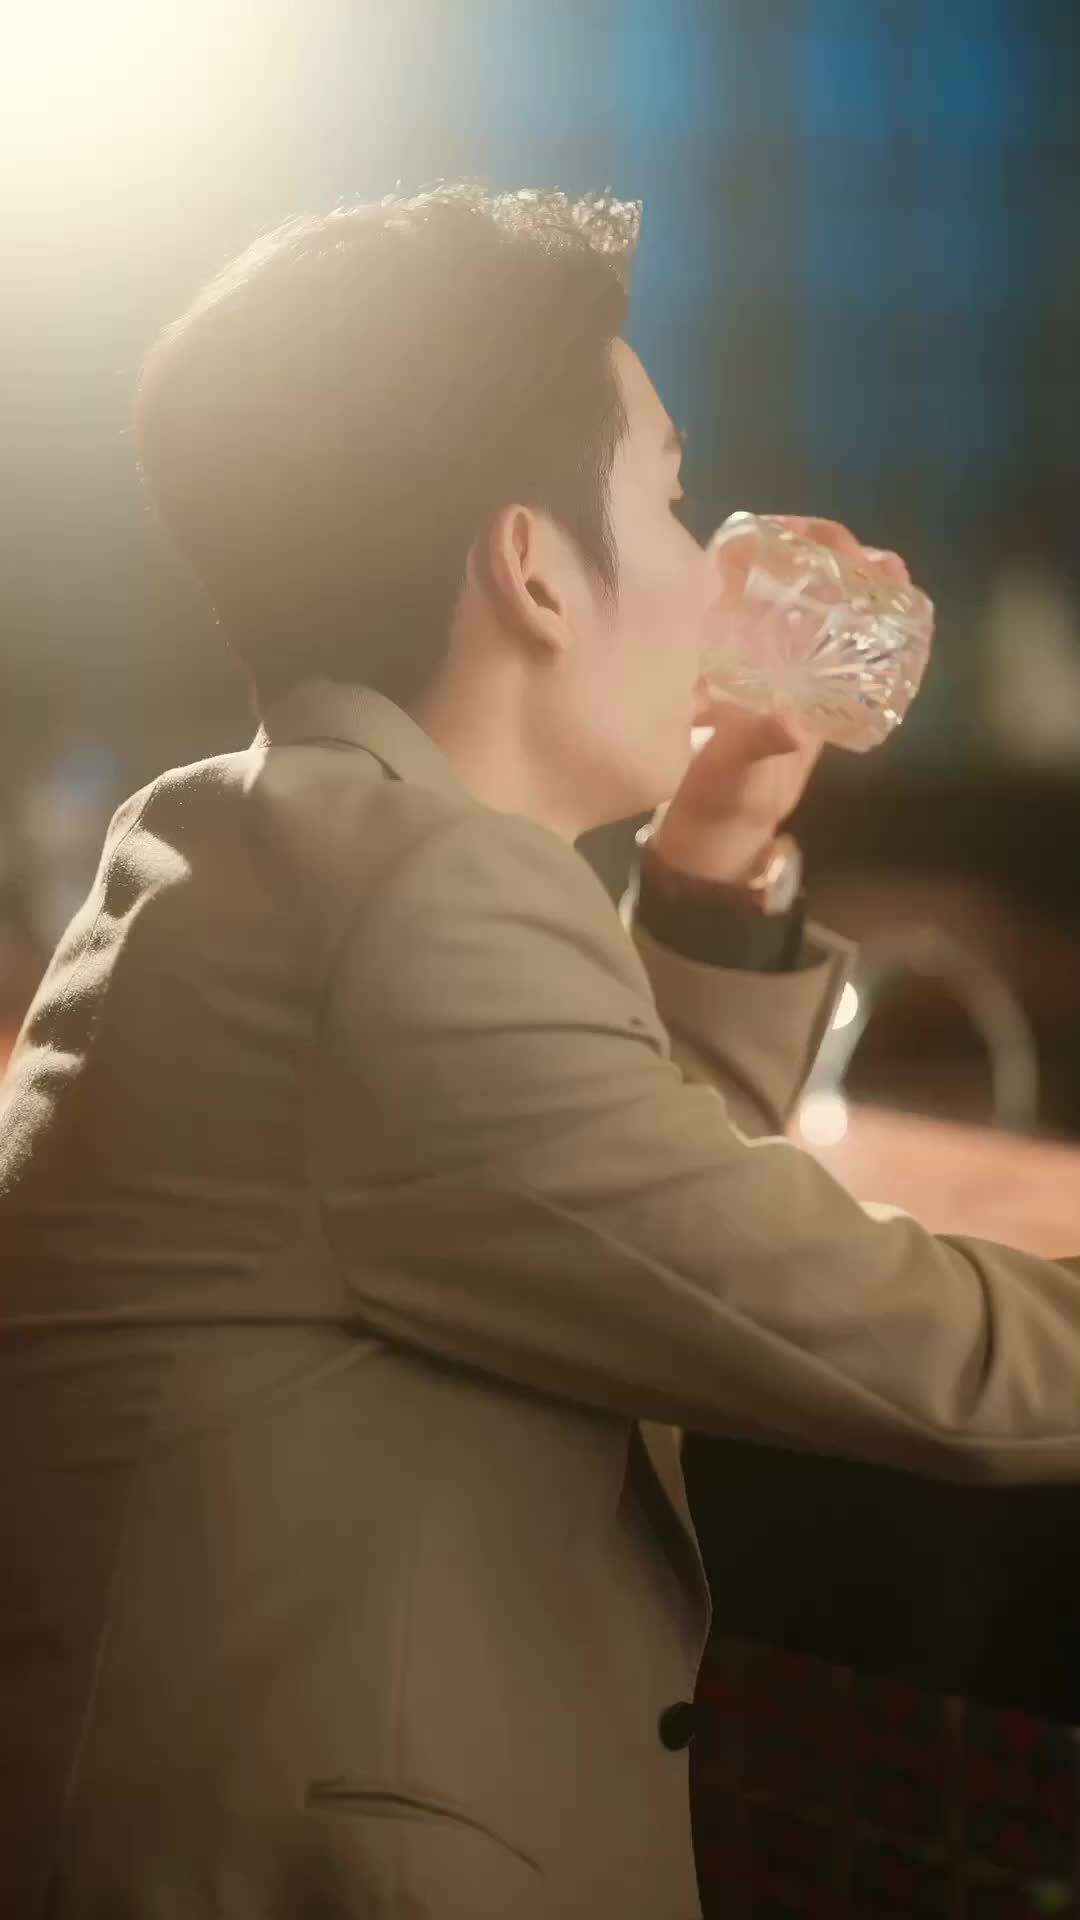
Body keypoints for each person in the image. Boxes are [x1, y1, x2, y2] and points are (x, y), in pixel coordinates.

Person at [1, 187, 1078, 1920]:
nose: (714, 571)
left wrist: (708, 861)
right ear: (534, 568)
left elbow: (599, 1216)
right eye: (670, 495)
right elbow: (896, 1345)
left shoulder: (272, 838)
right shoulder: (402, 902)